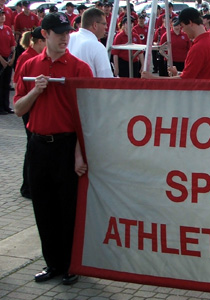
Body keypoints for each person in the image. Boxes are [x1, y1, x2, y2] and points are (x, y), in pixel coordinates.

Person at [13, 12, 93, 286]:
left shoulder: (80, 68)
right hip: (38, 145)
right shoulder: (29, 65)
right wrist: (35, 91)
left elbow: (88, 116)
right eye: (59, 33)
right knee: (44, 208)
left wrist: (80, 153)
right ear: (45, 34)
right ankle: (53, 264)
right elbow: (17, 109)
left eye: (67, 32)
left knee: (68, 209)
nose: (65, 37)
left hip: (67, 146)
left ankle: (72, 265)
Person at [142, 7, 210, 80]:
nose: (183, 30)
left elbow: (184, 81)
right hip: (206, 91)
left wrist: (153, 78)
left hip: (198, 92)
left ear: (190, 23)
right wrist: (179, 73)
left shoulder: (199, 47)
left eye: (183, 26)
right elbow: (197, 74)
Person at [13, 27, 45, 199]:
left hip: (33, 105)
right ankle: (27, 186)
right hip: (28, 105)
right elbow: (18, 81)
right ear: (40, 41)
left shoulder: (34, 56)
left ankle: (29, 185)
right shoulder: (27, 57)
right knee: (31, 146)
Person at [68, 8, 113, 78]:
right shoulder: (98, 47)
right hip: (88, 88)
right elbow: (106, 80)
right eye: (104, 24)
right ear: (95, 25)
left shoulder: (69, 38)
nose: (106, 27)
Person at [0, 8, 15, 115]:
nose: (3, 17)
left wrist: (12, 58)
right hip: (0, 60)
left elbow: (13, 45)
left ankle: (6, 106)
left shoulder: (8, 29)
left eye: (3, 15)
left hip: (8, 58)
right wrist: (2, 61)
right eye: (1, 15)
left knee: (6, 84)